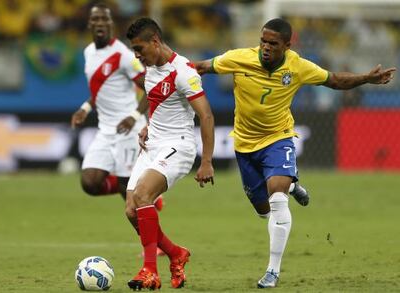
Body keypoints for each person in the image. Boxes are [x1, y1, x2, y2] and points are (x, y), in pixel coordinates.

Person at [194, 18, 396, 289]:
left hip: (279, 138)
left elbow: (333, 80)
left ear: (287, 46)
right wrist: (167, 68)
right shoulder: (239, 58)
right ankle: (293, 184)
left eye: (273, 44)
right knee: (263, 210)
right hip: (244, 144)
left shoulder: (297, 66)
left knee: (277, 201)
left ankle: (272, 271)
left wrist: (366, 79)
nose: (266, 47)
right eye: (263, 41)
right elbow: (201, 67)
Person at [125, 17, 215, 290]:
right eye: (134, 51)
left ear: (155, 41)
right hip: (153, 145)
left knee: (142, 196)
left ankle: (149, 271)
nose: (138, 56)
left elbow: (206, 116)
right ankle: (176, 254)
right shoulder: (151, 68)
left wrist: (207, 162)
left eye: (140, 49)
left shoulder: (184, 71)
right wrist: (149, 127)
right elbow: (158, 101)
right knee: (131, 211)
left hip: (179, 145)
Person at [70, 4, 164, 241]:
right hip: (105, 130)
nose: (101, 23)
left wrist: (134, 115)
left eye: (105, 19)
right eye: (96, 19)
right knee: (90, 183)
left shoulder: (123, 54)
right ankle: (144, 192)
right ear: (90, 24)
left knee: (131, 197)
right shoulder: (89, 52)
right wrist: (86, 107)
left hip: (128, 129)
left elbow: (149, 85)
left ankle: (153, 242)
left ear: (111, 25)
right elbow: (101, 87)